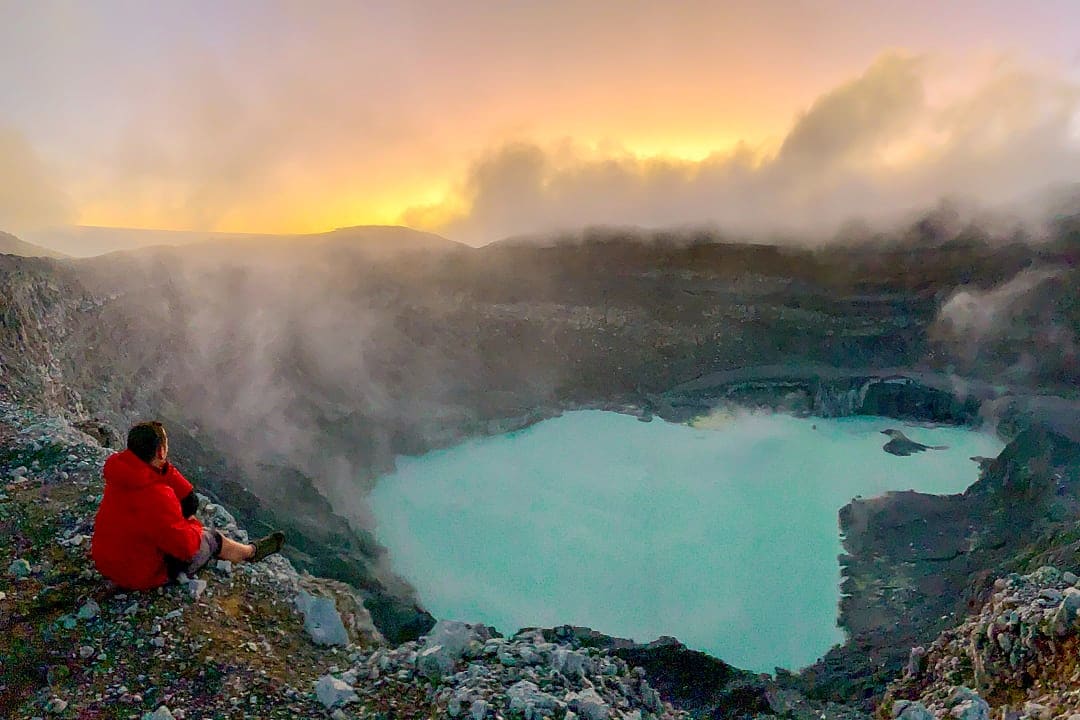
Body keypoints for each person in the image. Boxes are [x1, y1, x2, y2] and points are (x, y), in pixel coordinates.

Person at [91, 421, 285, 591]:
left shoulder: (121, 474)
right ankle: (250, 552)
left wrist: (168, 473)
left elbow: (151, 507)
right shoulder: (157, 496)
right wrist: (193, 524)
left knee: (172, 527)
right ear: (160, 451)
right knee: (212, 538)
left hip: (107, 562)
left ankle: (242, 549)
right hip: (138, 574)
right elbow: (186, 548)